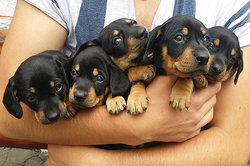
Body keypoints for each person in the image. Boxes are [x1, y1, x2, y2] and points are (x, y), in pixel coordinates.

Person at [0, 0, 249, 165]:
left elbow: (234, 148)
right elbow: (4, 115)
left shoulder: (233, 5)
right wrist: (138, 126)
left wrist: (97, 162)